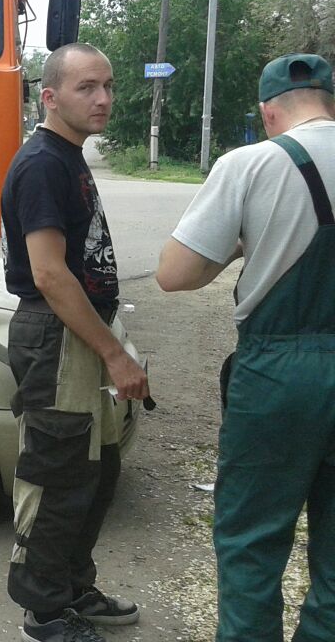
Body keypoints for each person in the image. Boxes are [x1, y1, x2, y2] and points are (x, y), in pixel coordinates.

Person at [156, 53, 335, 642]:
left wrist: (244, 245)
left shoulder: (253, 163)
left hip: (280, 372)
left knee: (253, 542)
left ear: (268, 111)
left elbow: (175, 275)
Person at [0, 42, 150, 642]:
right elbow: (48, 273)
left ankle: (73, 587)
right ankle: (43, 613)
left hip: (84, 329)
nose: (104, 98)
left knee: (98, 468)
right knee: (58, 475)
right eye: (87, 87)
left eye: (108, 85)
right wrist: (113, 353)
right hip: (57, 336)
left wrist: (113, 343)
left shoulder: (69, 156)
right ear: (50, 95)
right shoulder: (42, 163)